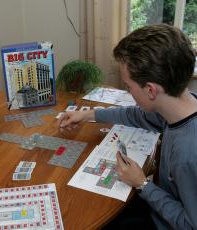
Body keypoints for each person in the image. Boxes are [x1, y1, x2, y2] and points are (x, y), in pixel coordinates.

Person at [59, 24, 197, 229]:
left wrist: (142, 184)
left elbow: (190, 224)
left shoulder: (188, 152)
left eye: (128, 86)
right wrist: (89, 114)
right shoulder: (181, 106)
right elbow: (135, 115)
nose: (128, 91)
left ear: (150, 90)